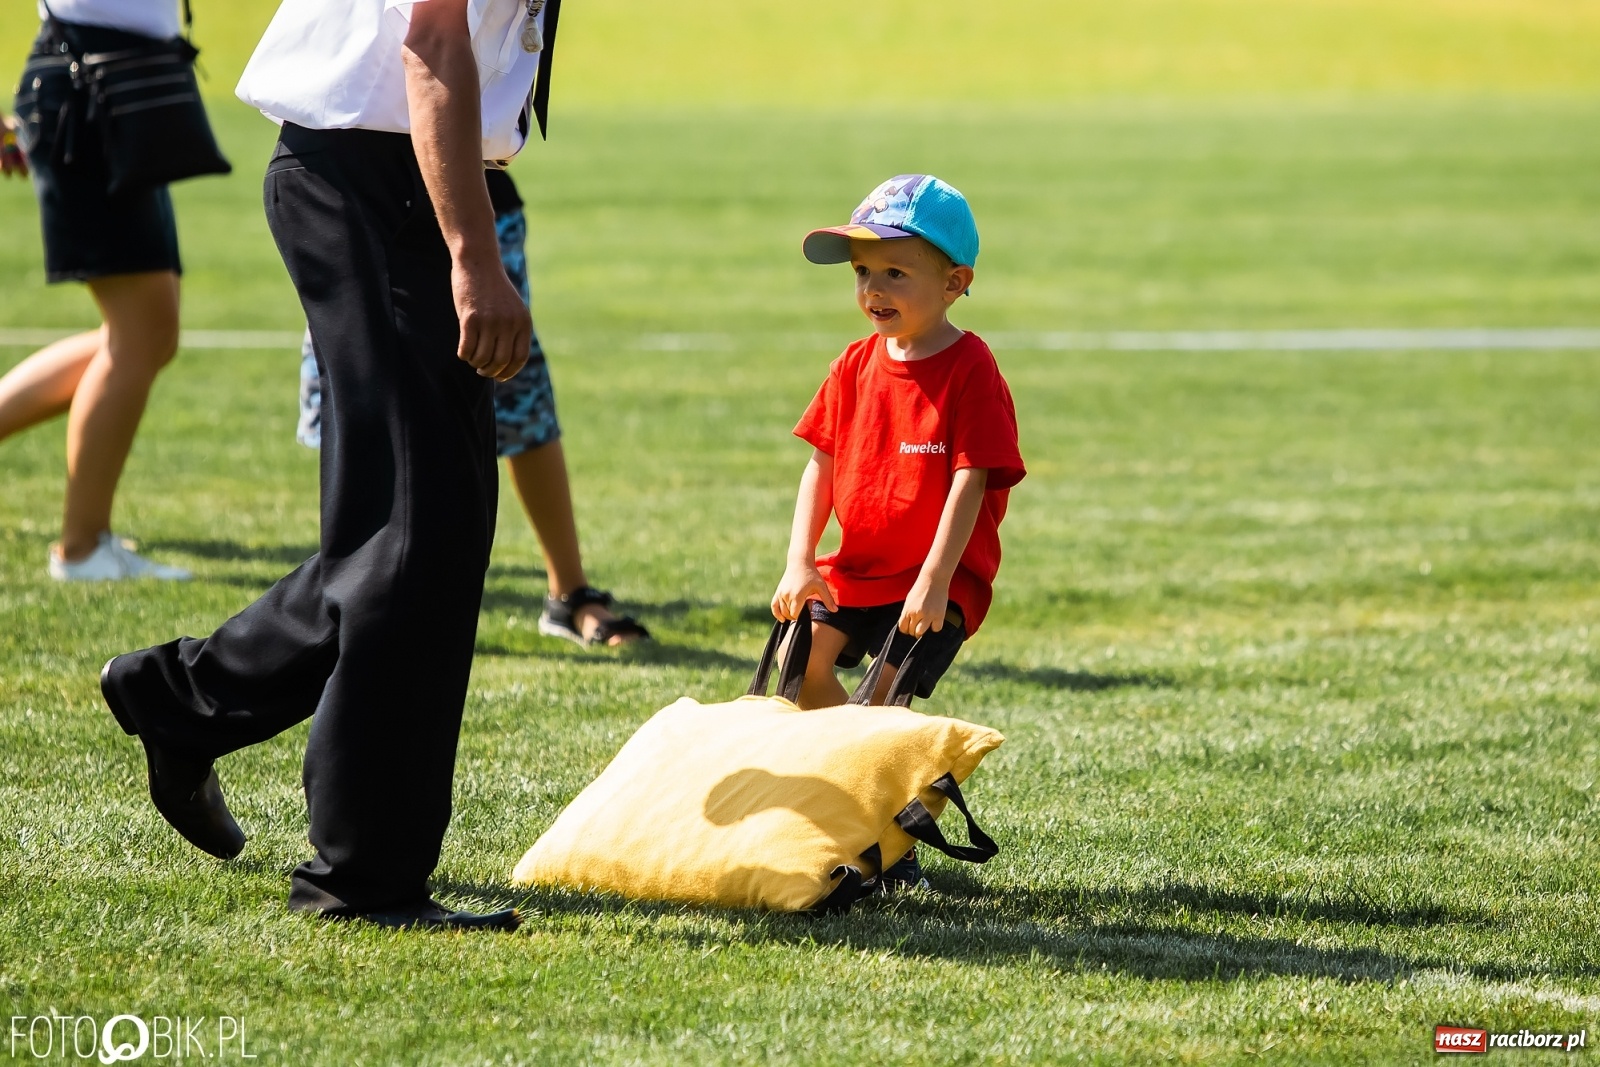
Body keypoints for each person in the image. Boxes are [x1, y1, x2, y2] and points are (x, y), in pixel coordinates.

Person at [100, 0, 565, 931]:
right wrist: (472, 257)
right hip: (371, 182)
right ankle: (361, 878)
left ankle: (183, 699)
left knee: (420, 528)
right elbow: (432, 43)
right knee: (412, 537)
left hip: (395, 177)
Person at [769, 174, 1026, 890]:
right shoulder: (853, 364)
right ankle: (882, 814)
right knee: (801, 669)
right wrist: (799, 562)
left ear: (954, 282)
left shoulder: (970, 367)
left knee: (879, 708)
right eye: (861, 271)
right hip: (856, 569)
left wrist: (937, 580)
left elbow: (971, 479)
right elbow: (819, 466)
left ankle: (883, 844)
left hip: (933, 583)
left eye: (894, 271)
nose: (872, 288)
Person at [297, 168, 649, 648]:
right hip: (364, 199)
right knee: (363, 407)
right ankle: (352, 600)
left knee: (515, 379)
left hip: (476, 201)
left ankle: (568, 594)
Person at [0, 0, 195, 581]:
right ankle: (82, 549)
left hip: (119, 87)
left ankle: (86, 544)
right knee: (140, 335)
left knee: (147, 334)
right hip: (88, 89)